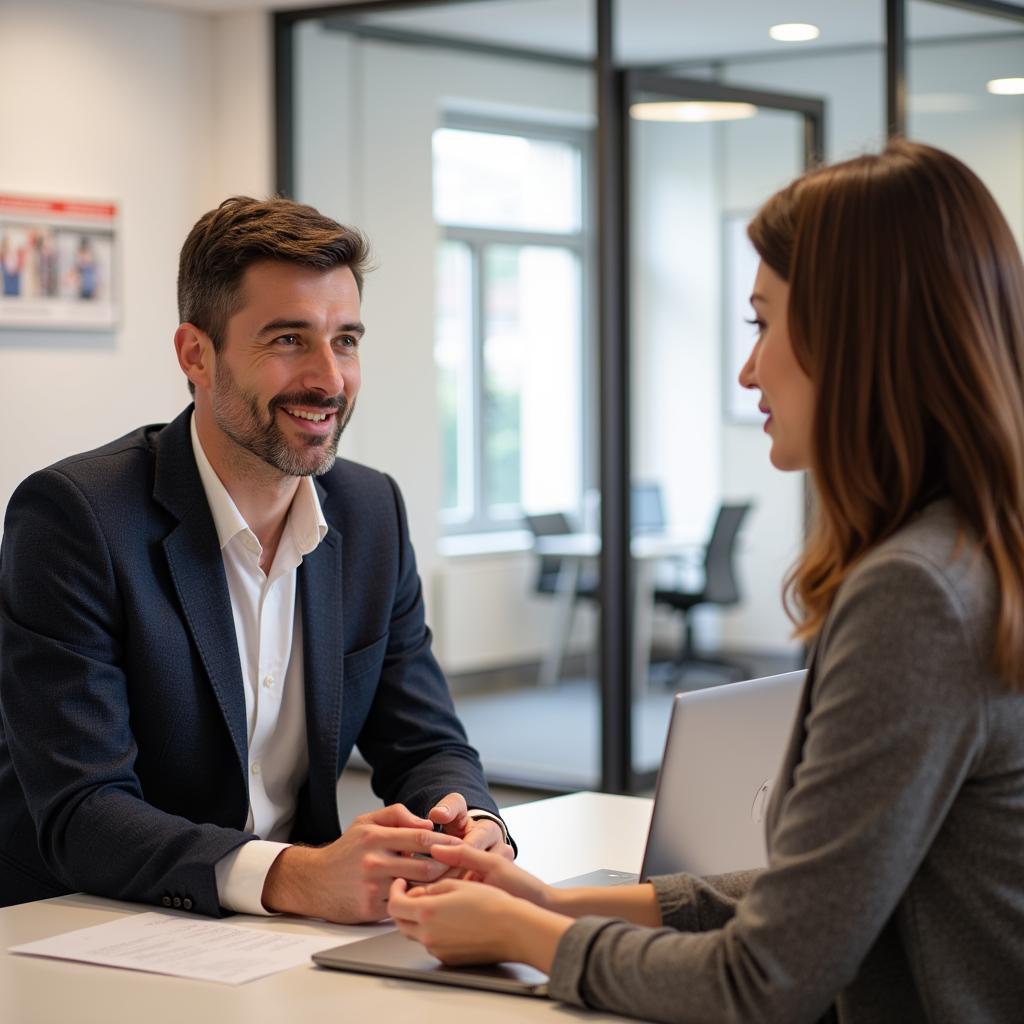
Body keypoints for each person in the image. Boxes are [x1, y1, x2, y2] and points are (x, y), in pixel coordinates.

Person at [387, 139, 1024, 1022]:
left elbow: (762, 981)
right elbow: (829, 896)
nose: (748, 370)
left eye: (763, 323)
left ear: (854, 332)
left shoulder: (917, 595)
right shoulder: (976, 554)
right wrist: (548, 903)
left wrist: (526, 939)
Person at [0, 196, 513, 921]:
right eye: (288, 340)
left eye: (346, 341)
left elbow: (424, 741)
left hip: (282, 940)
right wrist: (294, 876)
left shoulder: (370, 514)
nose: (330, 380)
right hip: (86, 923)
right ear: (195, 354)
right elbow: (83, 809)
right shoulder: (76, 518)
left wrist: (476, 828)